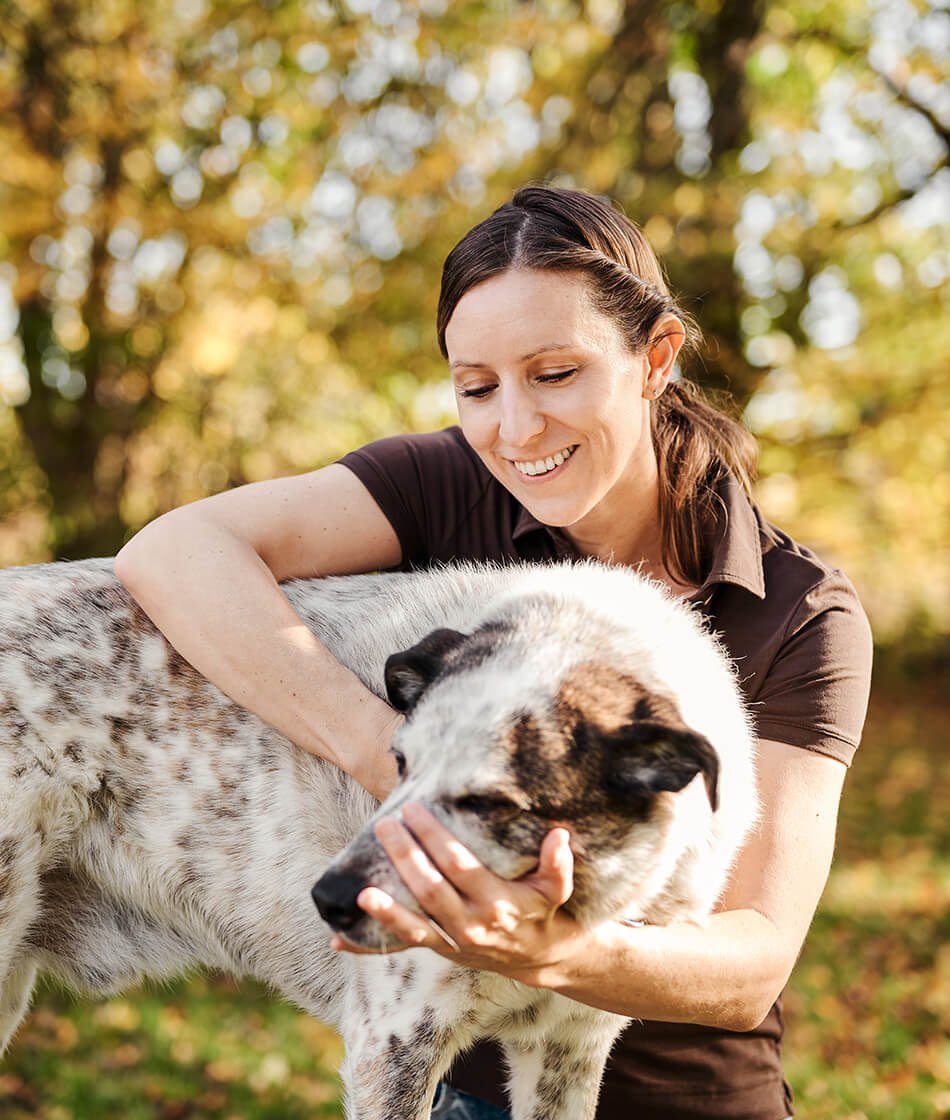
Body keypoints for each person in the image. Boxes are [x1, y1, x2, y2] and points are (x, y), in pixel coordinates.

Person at [115, 185, 873, 1119]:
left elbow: (753, 961)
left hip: (697, 1100)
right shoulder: (448, 484)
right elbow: (173, 553)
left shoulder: (798, 611)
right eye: (477, 387)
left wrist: (558, 951)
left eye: (555, 374)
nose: (515, 429)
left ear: (655, 358)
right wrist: (391, 752)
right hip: (473, 1092)